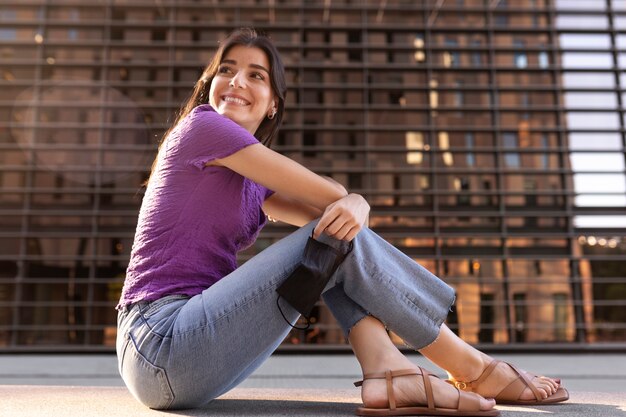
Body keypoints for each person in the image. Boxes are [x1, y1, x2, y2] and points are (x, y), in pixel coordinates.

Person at [115, 28, 568, 415]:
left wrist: (351, 207)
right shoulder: (202, 128)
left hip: (185, 359)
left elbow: (339, 224)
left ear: (273, 103)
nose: (236, 81)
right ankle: (472, 367)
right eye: (227, 69)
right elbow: (331, 199)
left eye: (256, 75)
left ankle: (387, 369)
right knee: (337, 234)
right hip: (161, 340)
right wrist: (356, 201)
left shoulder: (255, 182)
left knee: (338, 239)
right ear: (209, 83)